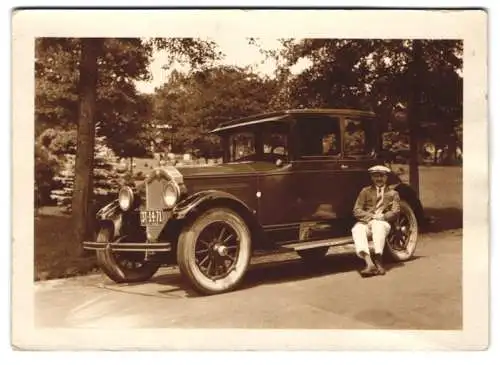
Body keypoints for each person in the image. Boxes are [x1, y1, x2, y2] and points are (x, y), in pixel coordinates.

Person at [352, 165, 400, 277]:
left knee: (378, 226)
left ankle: (378, 261)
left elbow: (395, 211)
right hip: (367, 222)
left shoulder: (393, 194)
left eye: (382, 176)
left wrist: (383, 217)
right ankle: (369, 264)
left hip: (382, 223)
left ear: (386, 177)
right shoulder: (365, 191)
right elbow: (356, 210)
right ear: (372, 178)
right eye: (375, 176)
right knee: (357, 229)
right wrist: (372, 216)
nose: (379, 179)